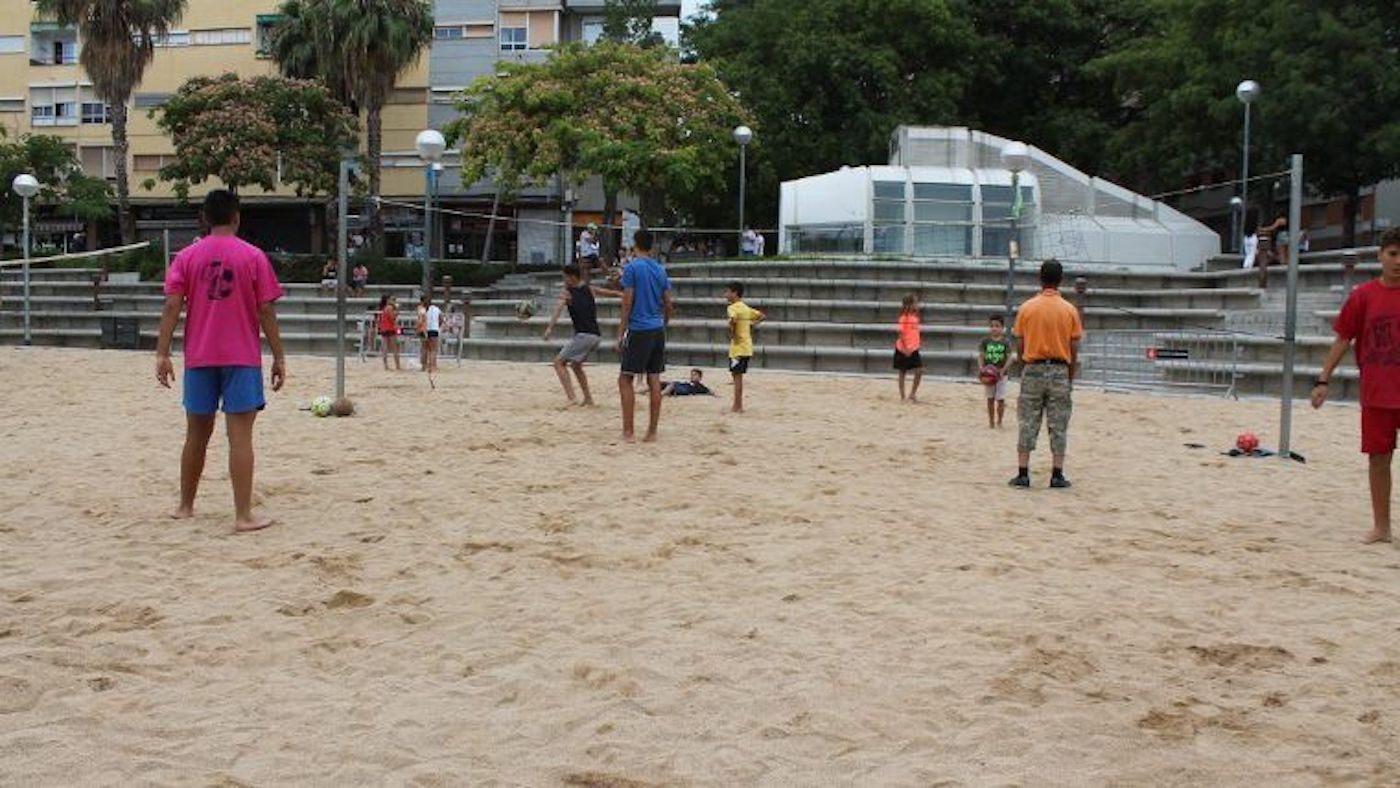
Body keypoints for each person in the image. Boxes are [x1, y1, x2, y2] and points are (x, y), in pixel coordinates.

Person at [154, 189, 285, 533]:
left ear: (204, 219)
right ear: (236, 217)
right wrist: (279, 356)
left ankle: (185, 506)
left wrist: (162, 353)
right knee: (240, 437)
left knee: (196, 434)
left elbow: (171, 305)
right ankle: (243, 515)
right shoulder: (253, 256)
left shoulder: (186, 256)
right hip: (241, 356)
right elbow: (266, 309)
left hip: (199, 356)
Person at [1311, 227, 1400, 544]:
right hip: (1377, 394)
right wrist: (1323, 380)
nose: (1398, 261)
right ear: (1380, 256)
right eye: (1393, 254)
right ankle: (1382, 527)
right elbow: (1342, 340)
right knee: (1379, 459)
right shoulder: (1362, 296)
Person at [1009, 259, 1084, 489]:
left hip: (1033, 367)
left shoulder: (1027, 308)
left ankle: (1023, 472)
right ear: (1060, 280)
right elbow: (1073, 348)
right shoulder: (1069, 310)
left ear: (1040, 279)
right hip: (1060, 368)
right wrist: (1069, 374)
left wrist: (1024, 367)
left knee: (1027, 421)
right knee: (1058, 423)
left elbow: (1020, 344)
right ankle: (1057, 474)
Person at [616, 229, 674, 443]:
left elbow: (627, 302)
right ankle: (651, 431)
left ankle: (628, 432)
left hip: (639, 329)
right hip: (657, 328)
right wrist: (664, 323)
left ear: (635, 244)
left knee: (625, 378)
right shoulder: (660, 270)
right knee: (654, 380)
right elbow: (669, 303)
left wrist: (620, 334)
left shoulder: (632, 268)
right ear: (652, 246)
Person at [542, 264, 621, 407]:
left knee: (558, 363)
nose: (564, 280)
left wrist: (549, 328)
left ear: (572, 277)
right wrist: (625, 294)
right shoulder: (589, 288)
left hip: (584, 336)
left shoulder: (567, 293)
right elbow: (611, 293)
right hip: (595, 336)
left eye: (565, 277)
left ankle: (572, 398)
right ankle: (588, 399)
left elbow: (558, 310)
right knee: (576, 365)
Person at [725, 282, 766, 413]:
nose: (725, 295)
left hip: (738, 347)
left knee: (737, 377)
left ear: (735, 293)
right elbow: (762, 316)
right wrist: (752, 325)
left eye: (728, 292)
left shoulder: (732, 308)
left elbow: (732, 321)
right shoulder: (746, 308)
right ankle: (738, 405)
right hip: (747, 346)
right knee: (738, 376)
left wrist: (732, 333)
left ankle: (737, 406)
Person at [979, 314, 1012, 428]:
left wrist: (1003, 370)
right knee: (990, 398)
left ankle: (1000, 421)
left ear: (1002, 328)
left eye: (997, 326)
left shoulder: (1005, 342)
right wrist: (981, 368)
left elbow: (1009, 357)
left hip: (1002, 375)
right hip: (989, 374)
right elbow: (981, 356)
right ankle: (991, 421)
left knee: (1001, 398)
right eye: (992, 326)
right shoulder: (985, 341)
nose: (994, 328)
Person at [894, 293, 924, 402]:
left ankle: (912, 394)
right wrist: (905, 349)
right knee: (902, 372)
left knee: (919, 370)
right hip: (903, 349)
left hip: (914, 349)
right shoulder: (904, 318)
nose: (917, 305)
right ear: (909, 305)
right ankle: (903, 396)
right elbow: (901, 334)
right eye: (915, 303)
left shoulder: (915, 317)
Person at [1255, 215, 1287, 288]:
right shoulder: (1282, 222)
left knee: (1281, 255)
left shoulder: (1280, 221)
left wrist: (1262, 229)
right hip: (1280, 238)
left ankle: (1283, 261)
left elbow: (1272, 227)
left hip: (1281, 238)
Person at [377, 294, 401, 371]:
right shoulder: (390, 308)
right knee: (394, 348)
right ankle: (397, 365)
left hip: (384, 328)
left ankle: (386, 366)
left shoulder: (384, 308)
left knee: (385, 347)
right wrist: (397, 311)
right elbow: (392, 318)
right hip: (390, 328)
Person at [423, 295, 442, 374]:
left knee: (428, 348)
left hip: (427, 329)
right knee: (434, 349)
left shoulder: (424, 310)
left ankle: (428, 364)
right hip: (434, 329)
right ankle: (433, 364)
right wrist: (438, 325)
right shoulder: (437, 309)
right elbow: (441, 319)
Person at [415, 295, 429, 370]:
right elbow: (420, 320)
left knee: (424, 347)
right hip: (423, 329)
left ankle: (423, 364)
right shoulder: (422, 309)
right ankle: (423, 365)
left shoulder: (421, 308)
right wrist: (418, 328)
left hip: (422, 329)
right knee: (424, 348)